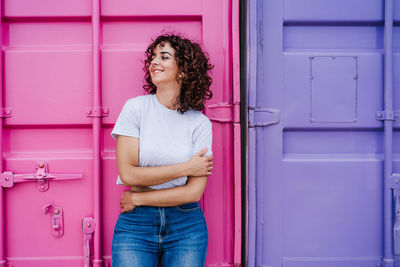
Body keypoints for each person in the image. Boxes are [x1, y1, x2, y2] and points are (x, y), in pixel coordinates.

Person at [111, 34, 214, 267]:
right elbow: (128, 174)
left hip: (186, 225)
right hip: (136, 225)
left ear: (184, 71)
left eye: (164, 57)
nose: (154, 62)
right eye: (154, 56)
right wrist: (186, 168)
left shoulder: (200, 123)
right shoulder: (135, 109)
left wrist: (138, 198)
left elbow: (193, 193)